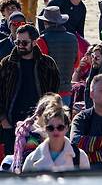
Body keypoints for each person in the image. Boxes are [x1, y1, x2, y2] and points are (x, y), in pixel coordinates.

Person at [0, 24, 59, 157]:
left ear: (34, 42)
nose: (20, 45)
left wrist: (48, 119)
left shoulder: (47, 64)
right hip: (11, 124)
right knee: (13, 164)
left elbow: (54, 94)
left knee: (37, 163)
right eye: (17, 42)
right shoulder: (7, 64)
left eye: (24, 42)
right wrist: (3, 120)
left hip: (39, 124)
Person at [23, 105, 90, 172]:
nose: (55, 131)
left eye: (60, 127)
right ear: (45, 129)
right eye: (50, 128)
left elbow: (86, 182)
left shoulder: (80, 156)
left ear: (66, 128)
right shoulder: (31, 159)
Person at [10, 93, 62, 174]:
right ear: (43, 114)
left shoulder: (55, 130)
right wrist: (46, 139)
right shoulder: (32, 134)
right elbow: (30, 161)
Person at [36, 6, 79, 104]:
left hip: (48, 93)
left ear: (45, 22)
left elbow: (39, 67)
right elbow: (76, 64)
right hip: (66, 91)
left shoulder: (42, 40)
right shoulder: (73, 38)